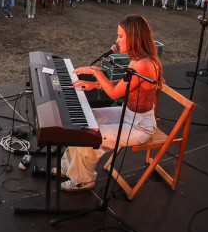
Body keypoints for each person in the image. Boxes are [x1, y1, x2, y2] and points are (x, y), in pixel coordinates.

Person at [61, 15, 163, 191]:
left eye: (121, 36)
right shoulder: (138, 59)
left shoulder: (144, 64)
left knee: (89, 134)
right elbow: (125, 84)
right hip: (127, 114)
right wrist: (95, 85)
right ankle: (68, 168)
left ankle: (83, 180)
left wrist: (96, 72)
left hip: (139, 126)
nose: (117, 40)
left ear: (134, 37)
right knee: (84, 120)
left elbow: (115, 93)